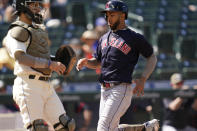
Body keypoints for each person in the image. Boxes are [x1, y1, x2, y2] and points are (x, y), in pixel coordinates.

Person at [76, 1, 158, 131]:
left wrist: (143, 79)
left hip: (121, 88)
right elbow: (97, 62)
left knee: (103, 128)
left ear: (122, 15)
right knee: (111, 128)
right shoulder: (103, 38)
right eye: (107, 15)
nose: (108, 18)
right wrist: (87, 62)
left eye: (112, 14)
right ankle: (144, 128)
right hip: (104, 89)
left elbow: (152, 57)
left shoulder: (134, 37)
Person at [3, 0, 75, 130]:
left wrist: (56, 62)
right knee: (37, 128)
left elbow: (38, 55)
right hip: (28, 84)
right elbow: (20, 57)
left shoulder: (37, 29)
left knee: (65, 126)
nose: (38, 8)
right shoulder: (17, 30)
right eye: (33, 5)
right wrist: (49, 64)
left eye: (38, 5)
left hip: (46, 85)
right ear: (22, 7)